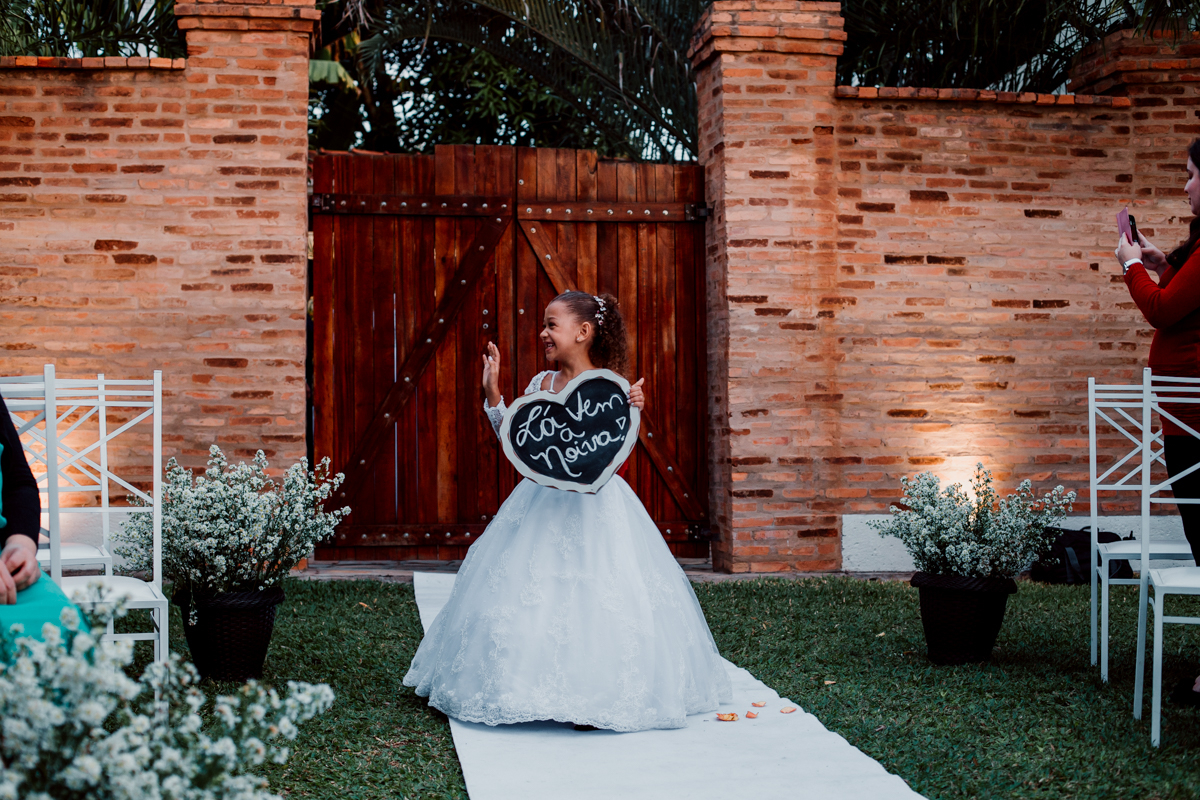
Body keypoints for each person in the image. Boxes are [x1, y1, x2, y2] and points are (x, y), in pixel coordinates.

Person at [403, 291, 733, 731]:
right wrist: (493, 393)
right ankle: (519, 687)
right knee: (526, 591)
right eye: (543, 324)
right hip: (540, 505)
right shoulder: (541, 385)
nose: (543, 332)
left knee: (601, 593)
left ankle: (596, 696)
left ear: (583, 332)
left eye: (551, 324)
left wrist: (632, 413)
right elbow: (519, 444)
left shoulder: (613, 389)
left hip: (599, 509)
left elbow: (614, 458)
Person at [1117, 137, 1200, 707]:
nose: (1186, 185)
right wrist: (1161, 264)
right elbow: (1184, 297)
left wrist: (1130, 266)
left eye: (1191, 174)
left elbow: (1165, 310)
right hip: (1185, 418)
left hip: (1195, 421)